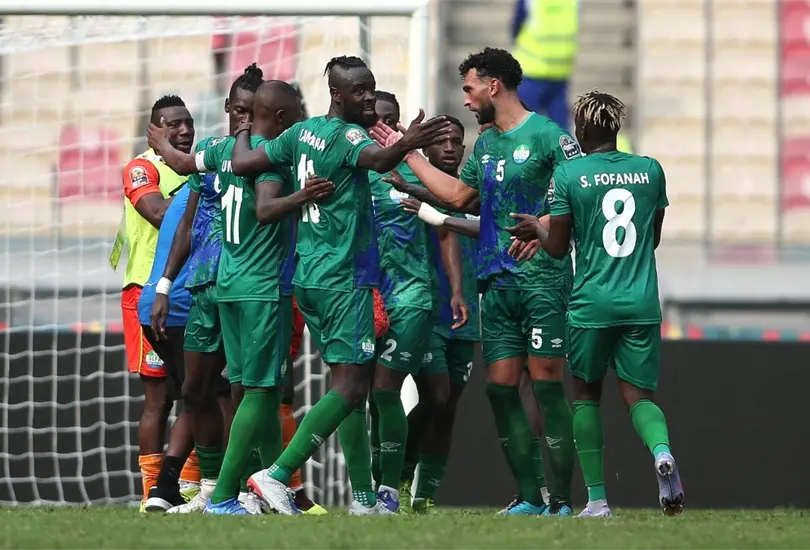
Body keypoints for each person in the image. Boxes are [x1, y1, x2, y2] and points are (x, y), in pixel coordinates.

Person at [227, 55, 452, 515]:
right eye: (360, 91)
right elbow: (378, 155)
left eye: (372, 88)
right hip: (343, 280)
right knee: (352, 388)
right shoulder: (348, 136)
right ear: (337, 94)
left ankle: (364, 500)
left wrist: (244, 127)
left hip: (308, 277)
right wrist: (406, 142)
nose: (369, 97)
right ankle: (273, 477)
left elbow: (246, 161)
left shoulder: (298, 133)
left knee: (347, 388)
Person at [370, 47, 577, 516]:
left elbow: (576, 193)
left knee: (545, 384)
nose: (465, 99)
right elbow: (459, 196)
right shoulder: (486, 145)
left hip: (542, 281)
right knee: (501, 388)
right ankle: (529, 496)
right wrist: (407, 151)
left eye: (469, 88)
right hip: (495, 284)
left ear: (493, 86)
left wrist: (544, 225)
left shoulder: (548, 135)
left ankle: (561, 501)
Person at [507, 90, 683, 518]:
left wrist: (537, 229)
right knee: (640, 397)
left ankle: (599, 501)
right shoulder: (650, 170)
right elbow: (652, 237)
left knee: (585, 396)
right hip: (640, 300)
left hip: (590, 303)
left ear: (582, 129)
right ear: (616, 128)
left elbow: (557, 246)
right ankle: (661, 453)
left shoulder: (570, 174)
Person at [395, 121, 551, 513]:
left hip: (469, 316)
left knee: (448, 407)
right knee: (435, 396)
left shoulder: (474, 193)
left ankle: (425, 495)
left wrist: (428, 202)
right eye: (440, 142)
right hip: (426, 308)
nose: (449, 148)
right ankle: (396, 478)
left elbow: (466, 214)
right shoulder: (404, 191)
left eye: (455, 143)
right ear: (425, 151)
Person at [148, 65, 267, 514]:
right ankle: (212, 488)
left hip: (249, 286)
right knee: (195, 390)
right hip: (201, 286)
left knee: (242, 390)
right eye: (238, 110)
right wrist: (164, 284)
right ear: (228, 108)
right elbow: (187, 225)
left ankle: (239, 489)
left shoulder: (273, 156)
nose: (244, 120)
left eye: (252, 112)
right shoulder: (214, 153)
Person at [366, 92, 468, 514]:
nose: (448, 147)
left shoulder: (423, 177)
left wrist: (459, 289)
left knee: (441, 399)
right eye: (377, 122)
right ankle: (382, 480)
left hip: (434, 304)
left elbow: (452, 218)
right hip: (386, 299)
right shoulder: (366, 172)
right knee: (381, 392)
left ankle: (408, 482)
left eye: (390, 123)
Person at [120, 95, 200, 511]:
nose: (184, 131)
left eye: (188, 123)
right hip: (148, 294)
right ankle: (151, 488)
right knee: (159, 396)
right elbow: (157, 211)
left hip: (189, 293)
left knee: (197, 389)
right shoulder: (143, 168)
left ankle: (185, 486)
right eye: (173, 124)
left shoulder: (197, 166)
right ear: (153, 131)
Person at [137, 182, 233, 512]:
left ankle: (166, 488)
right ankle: (222, 489)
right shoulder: (228, 184)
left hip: (156, 302)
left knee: (197, 395)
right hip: (186, 303)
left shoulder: (189, 188)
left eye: (187, 124)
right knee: (220, 397)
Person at [511, 0, 579, 130]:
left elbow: (516, 25)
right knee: (560, 134)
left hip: (532, 70)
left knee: (524, 129)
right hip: (558, 70)